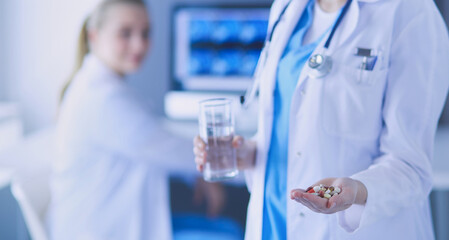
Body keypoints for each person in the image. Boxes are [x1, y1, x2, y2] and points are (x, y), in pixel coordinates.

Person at [194, 0, 449, 239]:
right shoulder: (287, 7)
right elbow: (291, 127)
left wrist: (357, 190)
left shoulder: (411, 12)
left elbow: (410, 167)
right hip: (273, 223)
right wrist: (245, 153)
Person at [47, 1, 223, 239]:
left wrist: (195, 173)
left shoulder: (101, 87)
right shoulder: (102, 98)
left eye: (146, 33)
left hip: (113, 223)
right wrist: (247, 159)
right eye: (125, 33)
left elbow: (155, 145)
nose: (139, 45)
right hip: (100, 231)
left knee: (227, 230)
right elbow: (168, 149)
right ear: (94, 36)